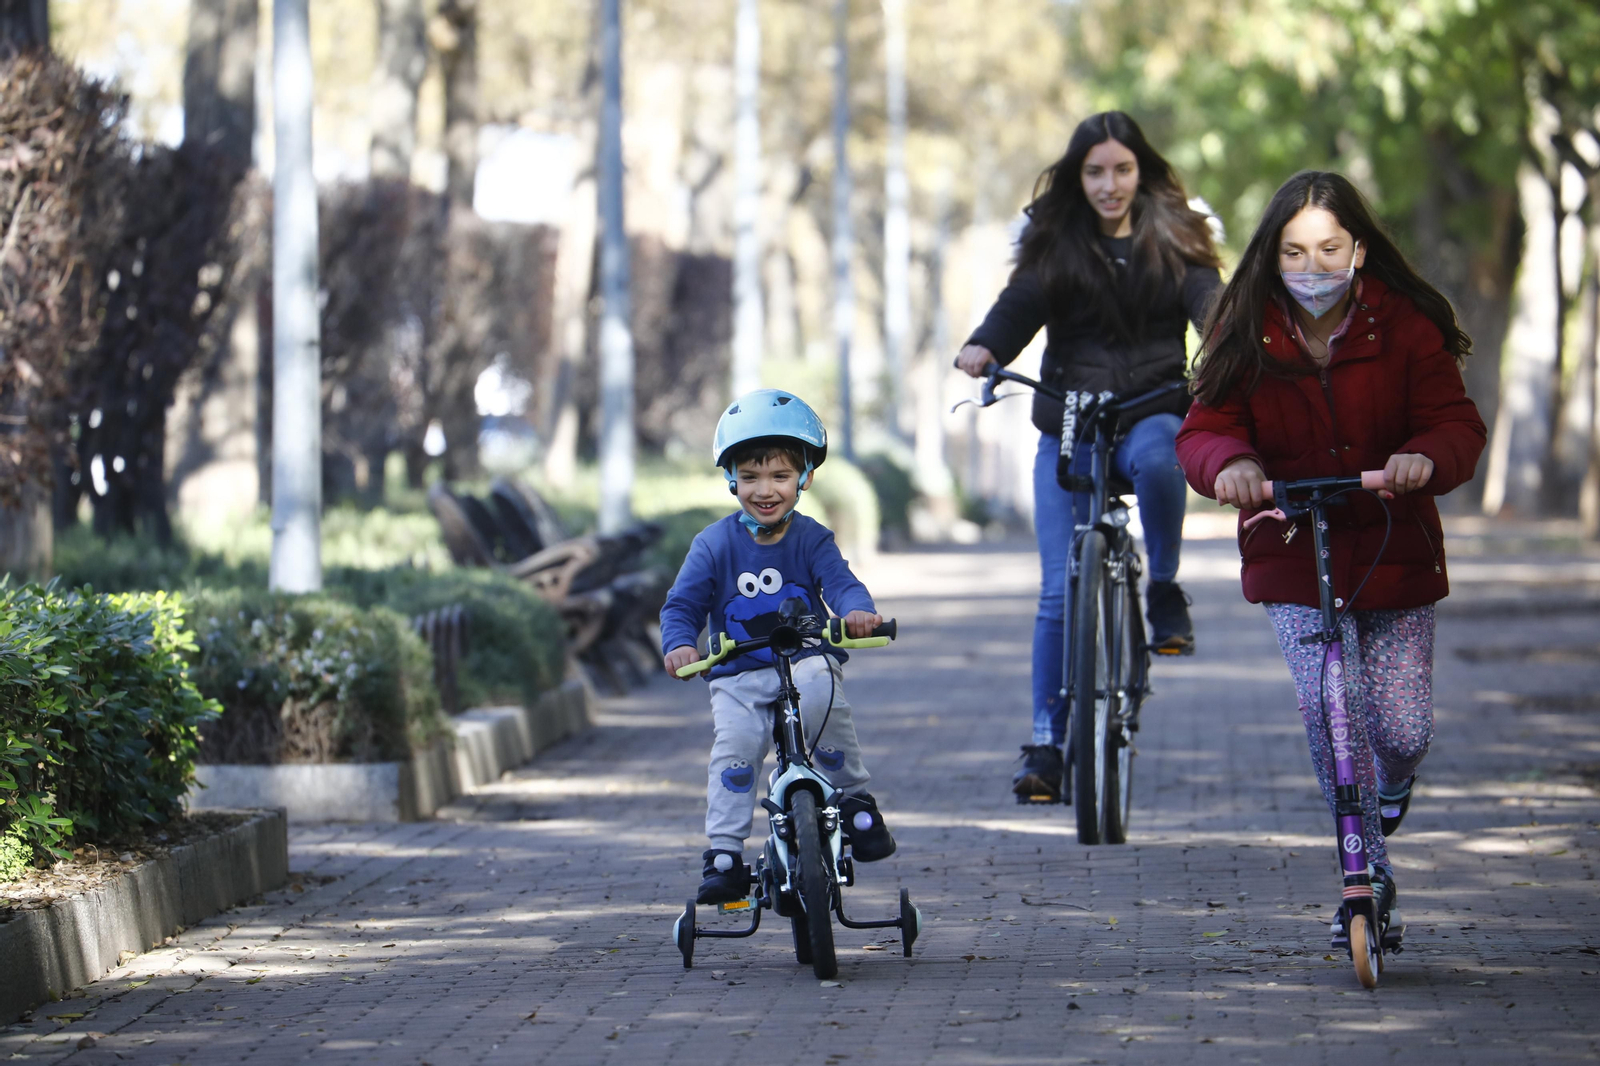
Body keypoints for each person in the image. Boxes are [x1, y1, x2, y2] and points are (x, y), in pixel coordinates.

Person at [1175, 170, 1486, 937]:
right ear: (1271, 254)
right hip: (1292, 548)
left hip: (1393, 547)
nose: (1311, 267)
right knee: (1329, 707)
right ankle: (1367, 870)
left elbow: (1455, 423)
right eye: (1293, 251)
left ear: (1359, 250)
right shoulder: (1247, 327)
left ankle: (1391, 787)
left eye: (1328, 249)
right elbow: (1204, 428)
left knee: (1403, 732)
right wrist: (1231, 464)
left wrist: (1424, 456)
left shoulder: (1404, 325)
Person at [956, 111, 1222, 802]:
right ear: (1078, 177)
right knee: (1056, 592)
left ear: (1141, 172)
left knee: (1163, 458)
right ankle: (1047, 744)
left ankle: (1163, 588)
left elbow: (1208, 299)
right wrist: (986, 344)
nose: (1110, 185)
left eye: (1122, 170)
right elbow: (1020, 302)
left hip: (1151, 410)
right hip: (1071, 425)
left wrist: (1227, 334)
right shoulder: (1057, 242)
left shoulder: (1176, 235)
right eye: (1095, 172)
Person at [660, 389, 897, 905]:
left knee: (824, 704)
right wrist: (679, 644)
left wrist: (857, 612)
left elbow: (841, 584)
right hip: (737, 673)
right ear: (731, 478)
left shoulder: (812, 538)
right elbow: (682, 606)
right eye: (750, 477)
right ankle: (725, 854)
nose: (764, 490)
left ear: (804, 477)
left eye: (780, 476)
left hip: (805, 658)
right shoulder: (713, 544)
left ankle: (855, 800)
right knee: (736, 751)